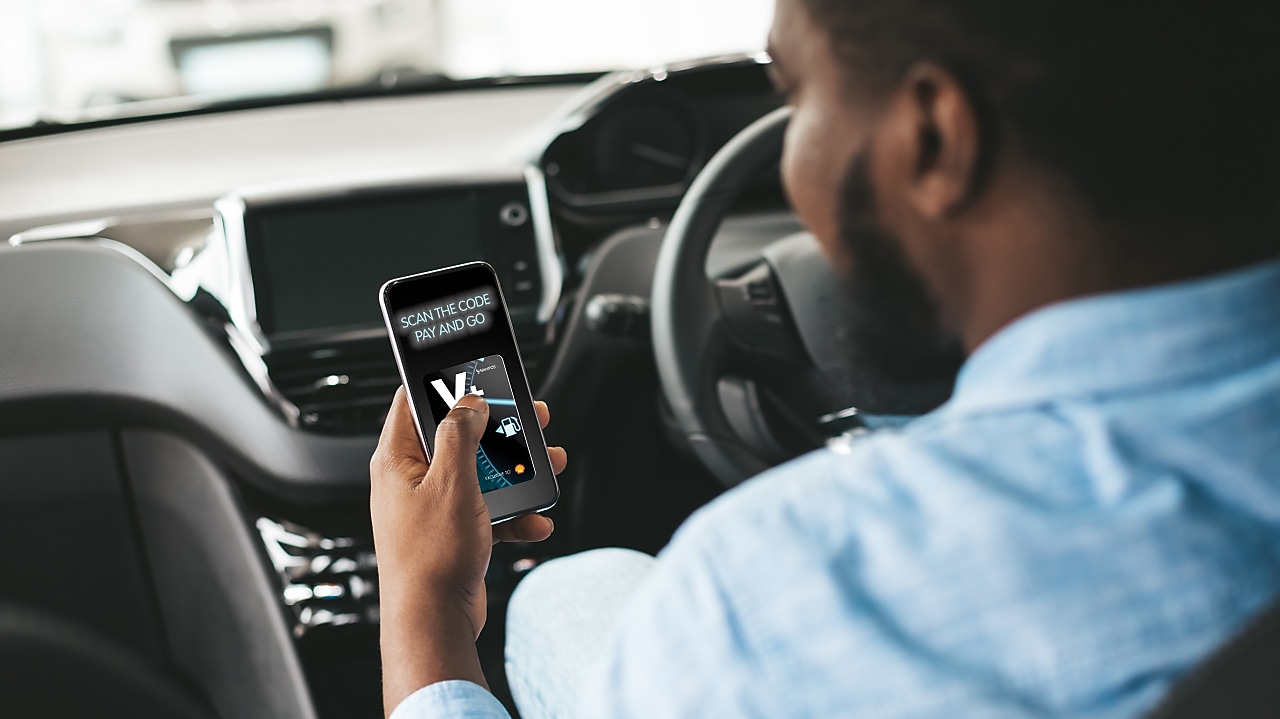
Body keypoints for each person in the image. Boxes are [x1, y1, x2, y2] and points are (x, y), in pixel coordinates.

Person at [370, 0, 1280, 716]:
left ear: (932, 138)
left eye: (794, 96)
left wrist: (429, 611)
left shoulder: (767, 600)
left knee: (568, 591)